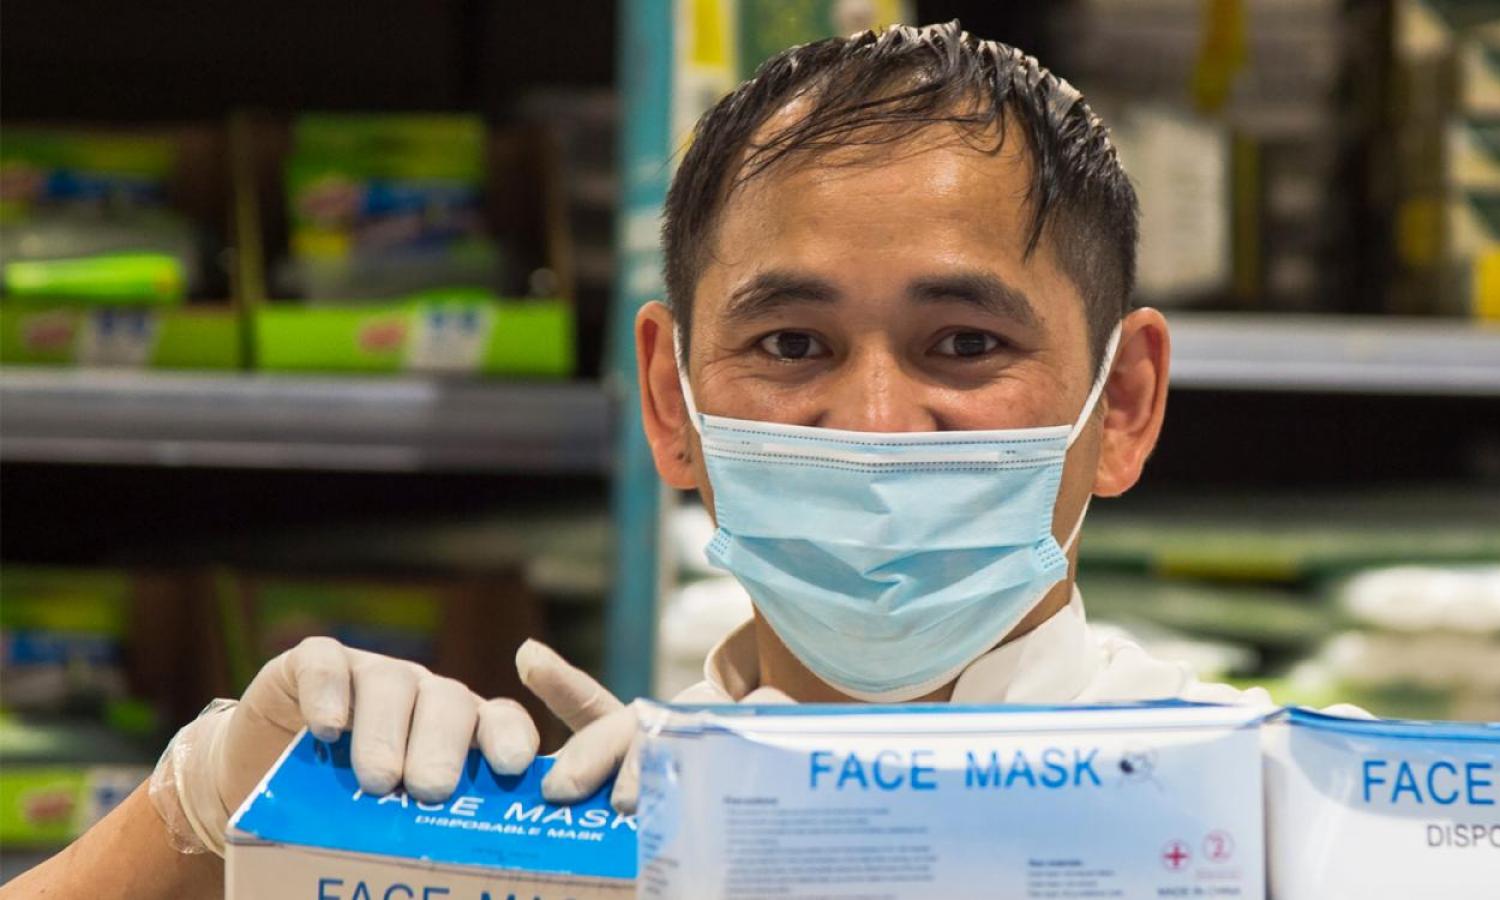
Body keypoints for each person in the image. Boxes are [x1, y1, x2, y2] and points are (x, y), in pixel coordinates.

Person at [3, 23, 1346, 899]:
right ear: (671, 399)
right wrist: (199, 806)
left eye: (964, 342)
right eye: (794, 342)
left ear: (1126, 404)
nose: (874, 424)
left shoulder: (1290, 833)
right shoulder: (558, 853)